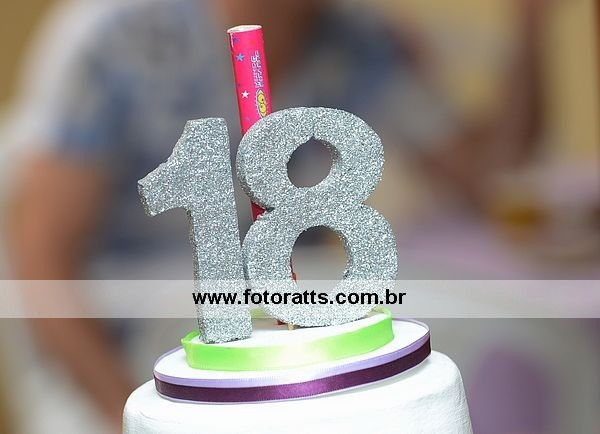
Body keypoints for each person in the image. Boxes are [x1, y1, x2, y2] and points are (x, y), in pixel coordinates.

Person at [5, 0, 545, 429]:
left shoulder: (355, 41)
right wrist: (130, 414)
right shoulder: (119, 34)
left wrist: (532, 28)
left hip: (275, 342)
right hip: (108, 350)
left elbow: (487, 176)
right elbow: (41, 258)